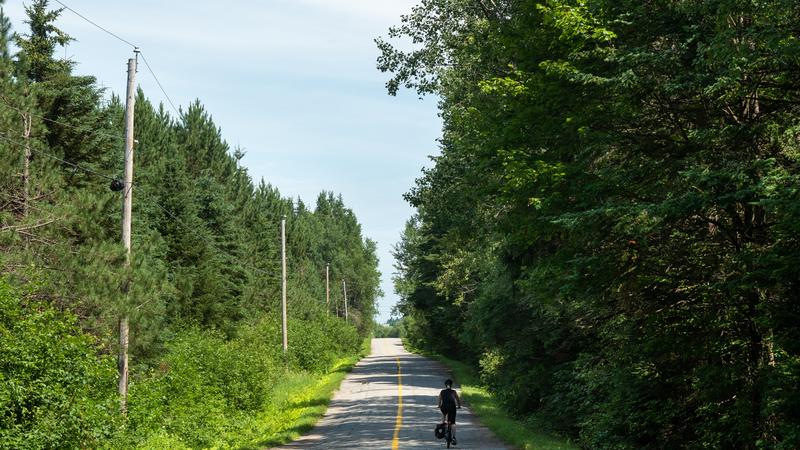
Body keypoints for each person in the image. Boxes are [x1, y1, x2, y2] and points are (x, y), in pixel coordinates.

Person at [438, 379, 462, 445]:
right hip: (452, 408)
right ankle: (453, 437)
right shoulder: (454, 392)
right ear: (451, 385)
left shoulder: (442, 391)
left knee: (443, 414)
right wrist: (459, 406)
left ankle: (443, 425)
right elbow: (458, 399)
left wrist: (439, 406)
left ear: (445, 385)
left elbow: (439, 400)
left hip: (444, 407)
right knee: (453, 423)